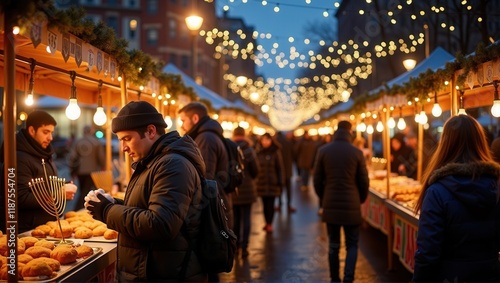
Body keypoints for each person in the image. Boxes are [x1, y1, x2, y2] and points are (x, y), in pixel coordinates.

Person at [85, 101, 207, 282]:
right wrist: (112, 203)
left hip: (165, 274)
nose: (124, 148)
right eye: (121, 140)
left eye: (127, 139)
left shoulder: (172, 164)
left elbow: (160, 224)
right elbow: (146, 207)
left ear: (150, 131)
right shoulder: (153, 162)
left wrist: (107, 211)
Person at [413, 115, 500, 282]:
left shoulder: (436, 192)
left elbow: (428, 253)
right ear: (480, 142)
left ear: (445, 144)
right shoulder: (497, 186)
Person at [0, 110, 77, 233]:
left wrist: (63, 187)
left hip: (47, 227)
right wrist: (56, 194)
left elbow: (44, 184)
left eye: (52, 133)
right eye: (45, 132)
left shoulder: (43, 153)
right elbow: (18, 198)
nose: (50, 138)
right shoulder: (18, 158)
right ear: (32, 131)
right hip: (27, 231)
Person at [178, 101, 230, 282]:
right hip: (214, 204)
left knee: (208, 262)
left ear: (195, 118)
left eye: (183, 120)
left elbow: (204, 178)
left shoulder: (205, 138)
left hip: (208, 208)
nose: (182, 125)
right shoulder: (207, 134)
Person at [313, 120, 369, 283]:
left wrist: (324, 198)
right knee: (352, 244)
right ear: (350, 132)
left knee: (334, 245)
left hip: (330, 204)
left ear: (336, 131)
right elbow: (363, 180)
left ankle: (334, 279)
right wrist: (360, 198)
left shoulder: (323, 151)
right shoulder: (357, 153)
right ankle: (348, 278)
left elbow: (316, 179)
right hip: (352, 204)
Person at [231, 126, 259, 259]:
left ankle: (235, 246)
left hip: (233, 189)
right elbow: (255, 170)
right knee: (246, 218)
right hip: (248, 188)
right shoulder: (249, 149)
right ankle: (245, 247)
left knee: (235, 218)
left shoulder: (229, 148)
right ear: (244, 135)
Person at [67, 125, 106, 210]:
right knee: (86, 191)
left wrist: (72, 171)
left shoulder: (78, 141)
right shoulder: (96, 142)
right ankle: (79, 208)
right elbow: (101, 157)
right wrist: (103, 167)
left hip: (80, 171)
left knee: (82, 190)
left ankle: (82, 208)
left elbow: (73, 157)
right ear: (91, 131)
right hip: (92, 171)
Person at [256, 133, 285, 233]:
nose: (265, 142)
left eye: (267, 140)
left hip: (273, 183)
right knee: (264, 205)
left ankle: (270, 224)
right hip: (262, 183)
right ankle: (266, 222)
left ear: (271, 141)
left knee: (271, 205)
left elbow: (280, 168)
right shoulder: (258, 152)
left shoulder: (275, 152)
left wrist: (281, 182)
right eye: (263, 140)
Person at [274, 131, 296, 212]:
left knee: (280, 188)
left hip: (278, 170)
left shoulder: (276, 144)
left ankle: (279, 204)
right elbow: (294, 154)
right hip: (288, 169)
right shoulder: (288, 142)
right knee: (288, 189)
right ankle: (289, 205)